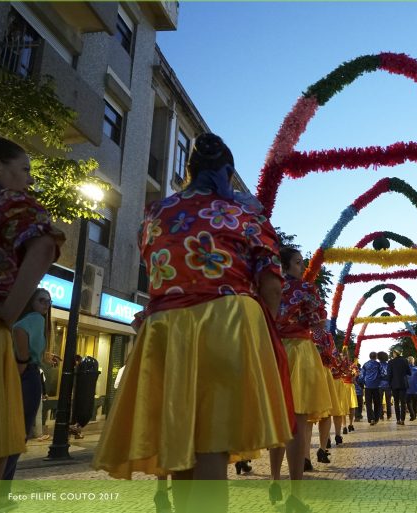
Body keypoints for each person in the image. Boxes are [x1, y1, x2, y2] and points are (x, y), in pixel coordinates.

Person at [92, 134, 294, 513]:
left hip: (166, 328)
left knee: (180, 439)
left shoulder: (155, 212)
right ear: (228, 173)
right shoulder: (245, 215)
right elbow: (271, 280)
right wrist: (267, 329)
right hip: (225, 320)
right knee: (211, 442)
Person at [0, 136, 63, 494]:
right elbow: (45, 244)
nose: (30, 180)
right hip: (9, 354)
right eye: (24, 170)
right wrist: (8, 309)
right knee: (1, 441)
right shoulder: (10, 204)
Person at [270, 246, 333, 503]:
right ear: (286, 265)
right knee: (297, 421)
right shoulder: (306, 289)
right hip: (299, 351)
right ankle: (295, 492)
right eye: (298, 262)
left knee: (276, 418)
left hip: (272, 350)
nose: (301, 267)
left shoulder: (266, 288)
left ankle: (274, 479)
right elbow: (318, 323)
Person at [0, 288, 61, 507]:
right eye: (42, 300)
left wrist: (42, 356)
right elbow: (20, 331)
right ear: (31, 302)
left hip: (24, 375)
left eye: (49, 302)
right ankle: (2, 494)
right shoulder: (33, 319)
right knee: (17, 436)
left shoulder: (32, 318)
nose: (46, 305)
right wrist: (23, 362)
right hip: (27, 378)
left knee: (11, 434)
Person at [386, 349, 411, 425]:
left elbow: (389, 374)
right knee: (403, 403)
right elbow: (409, 372)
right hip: (403, 384)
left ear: (394, 354)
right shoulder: (405, 361)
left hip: (394, 385)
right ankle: (403, 420)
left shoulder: (390, 362)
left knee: (396, 403)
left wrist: (389, 384)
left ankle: (398, 419)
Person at [361, 352, 382, 425]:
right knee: (377, 403)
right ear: (376, 357)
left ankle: (371, 418)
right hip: (377, 386)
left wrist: (363, 383)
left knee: (368, 403)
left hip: (368, 386)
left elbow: (361, 375)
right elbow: (382, 373)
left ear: (370, 357)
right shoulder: (378, 364)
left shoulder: (365, 364)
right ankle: (376, 418)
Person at [406, 356, 417, 421]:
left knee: (409, 402)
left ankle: (412, 415)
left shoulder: (405, 369)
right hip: (416, 388)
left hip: (408, 388)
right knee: (416, 402)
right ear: (413, 361)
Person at [377, 351, 392, 420]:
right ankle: (389, 415)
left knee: (379, 401)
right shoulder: (389, 364)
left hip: (379, 385)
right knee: (388, 401)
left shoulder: (377, 365)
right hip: (388, 384)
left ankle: (381, 415)